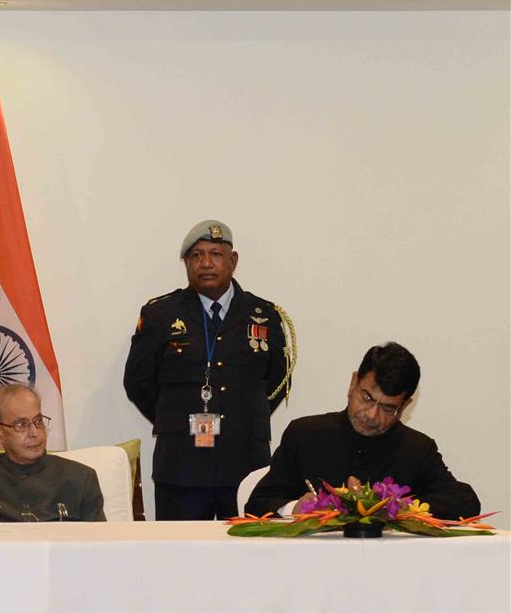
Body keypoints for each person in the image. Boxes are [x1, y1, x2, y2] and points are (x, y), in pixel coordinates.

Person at [123, 220, 293, 520]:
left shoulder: (265, 315)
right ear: (186, 263)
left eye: (215, 253)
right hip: (180, 465)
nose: (205, 263)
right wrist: (175, 417)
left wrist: (242, 415)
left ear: (233, 260)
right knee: (179, 560)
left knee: (249, 560)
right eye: (196, 255)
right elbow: (138, 382)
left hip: (245, 463)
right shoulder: (160, 314)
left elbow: (278, 381)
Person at [245, 342, 479, 520]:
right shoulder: (304, 435)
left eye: (388, 407)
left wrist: (393, 506)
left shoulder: (416, 449)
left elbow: (465, 502)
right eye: (366, 397)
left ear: (405, 405)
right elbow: (257, 505)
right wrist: (295, 507)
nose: (371, 415)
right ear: (353, 383)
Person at [0, 384, 105, 522]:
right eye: (21, 425)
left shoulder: (81, 479)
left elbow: (100, 546)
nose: (35, 433)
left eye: (38, 421)